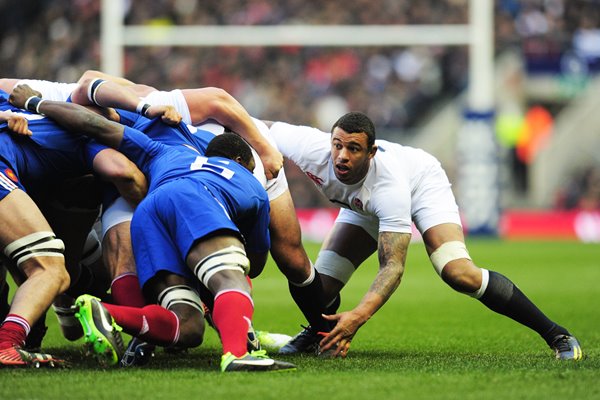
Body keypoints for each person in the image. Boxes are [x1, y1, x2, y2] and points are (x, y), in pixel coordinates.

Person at [10, 85, 296, 372]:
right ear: (242, 163)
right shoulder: (250, 184)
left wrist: (36, 102)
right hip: (194, 197)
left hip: (149, 207)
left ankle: (105, 311)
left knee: (188, 325)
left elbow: (93, 123)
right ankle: (237, 352)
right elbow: (255, 266)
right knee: (229, 277)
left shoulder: (163, 149)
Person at [266, 111, 582, 361]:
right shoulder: (309, 145)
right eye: (337, 145)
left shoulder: (390, 188)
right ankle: (320, 334)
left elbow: (392, 267)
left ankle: (557, 335)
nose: (342, 156)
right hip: (363, 205)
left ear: (372, 152)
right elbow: (255, 126)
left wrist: (358, 316)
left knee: (458, 273)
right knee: (317, 291)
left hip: (420, 186)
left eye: (354, 148)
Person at [73, 73, 329, 343]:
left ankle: (133, 328)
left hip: (180, 181)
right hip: (187, 184)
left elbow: (89, 84)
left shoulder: (153, 107)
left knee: (280, 255)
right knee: (225, 265)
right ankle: (238, 344)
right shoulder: (125, 124)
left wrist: (265, 149)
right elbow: (253, 265)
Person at [0, 88, 147, 366]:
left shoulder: (26, 110)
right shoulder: (85, 137)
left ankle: (28, 330)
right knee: (51, 270)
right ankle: (8, 343)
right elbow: (124, 173)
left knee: (24, 266)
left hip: (19, 183)